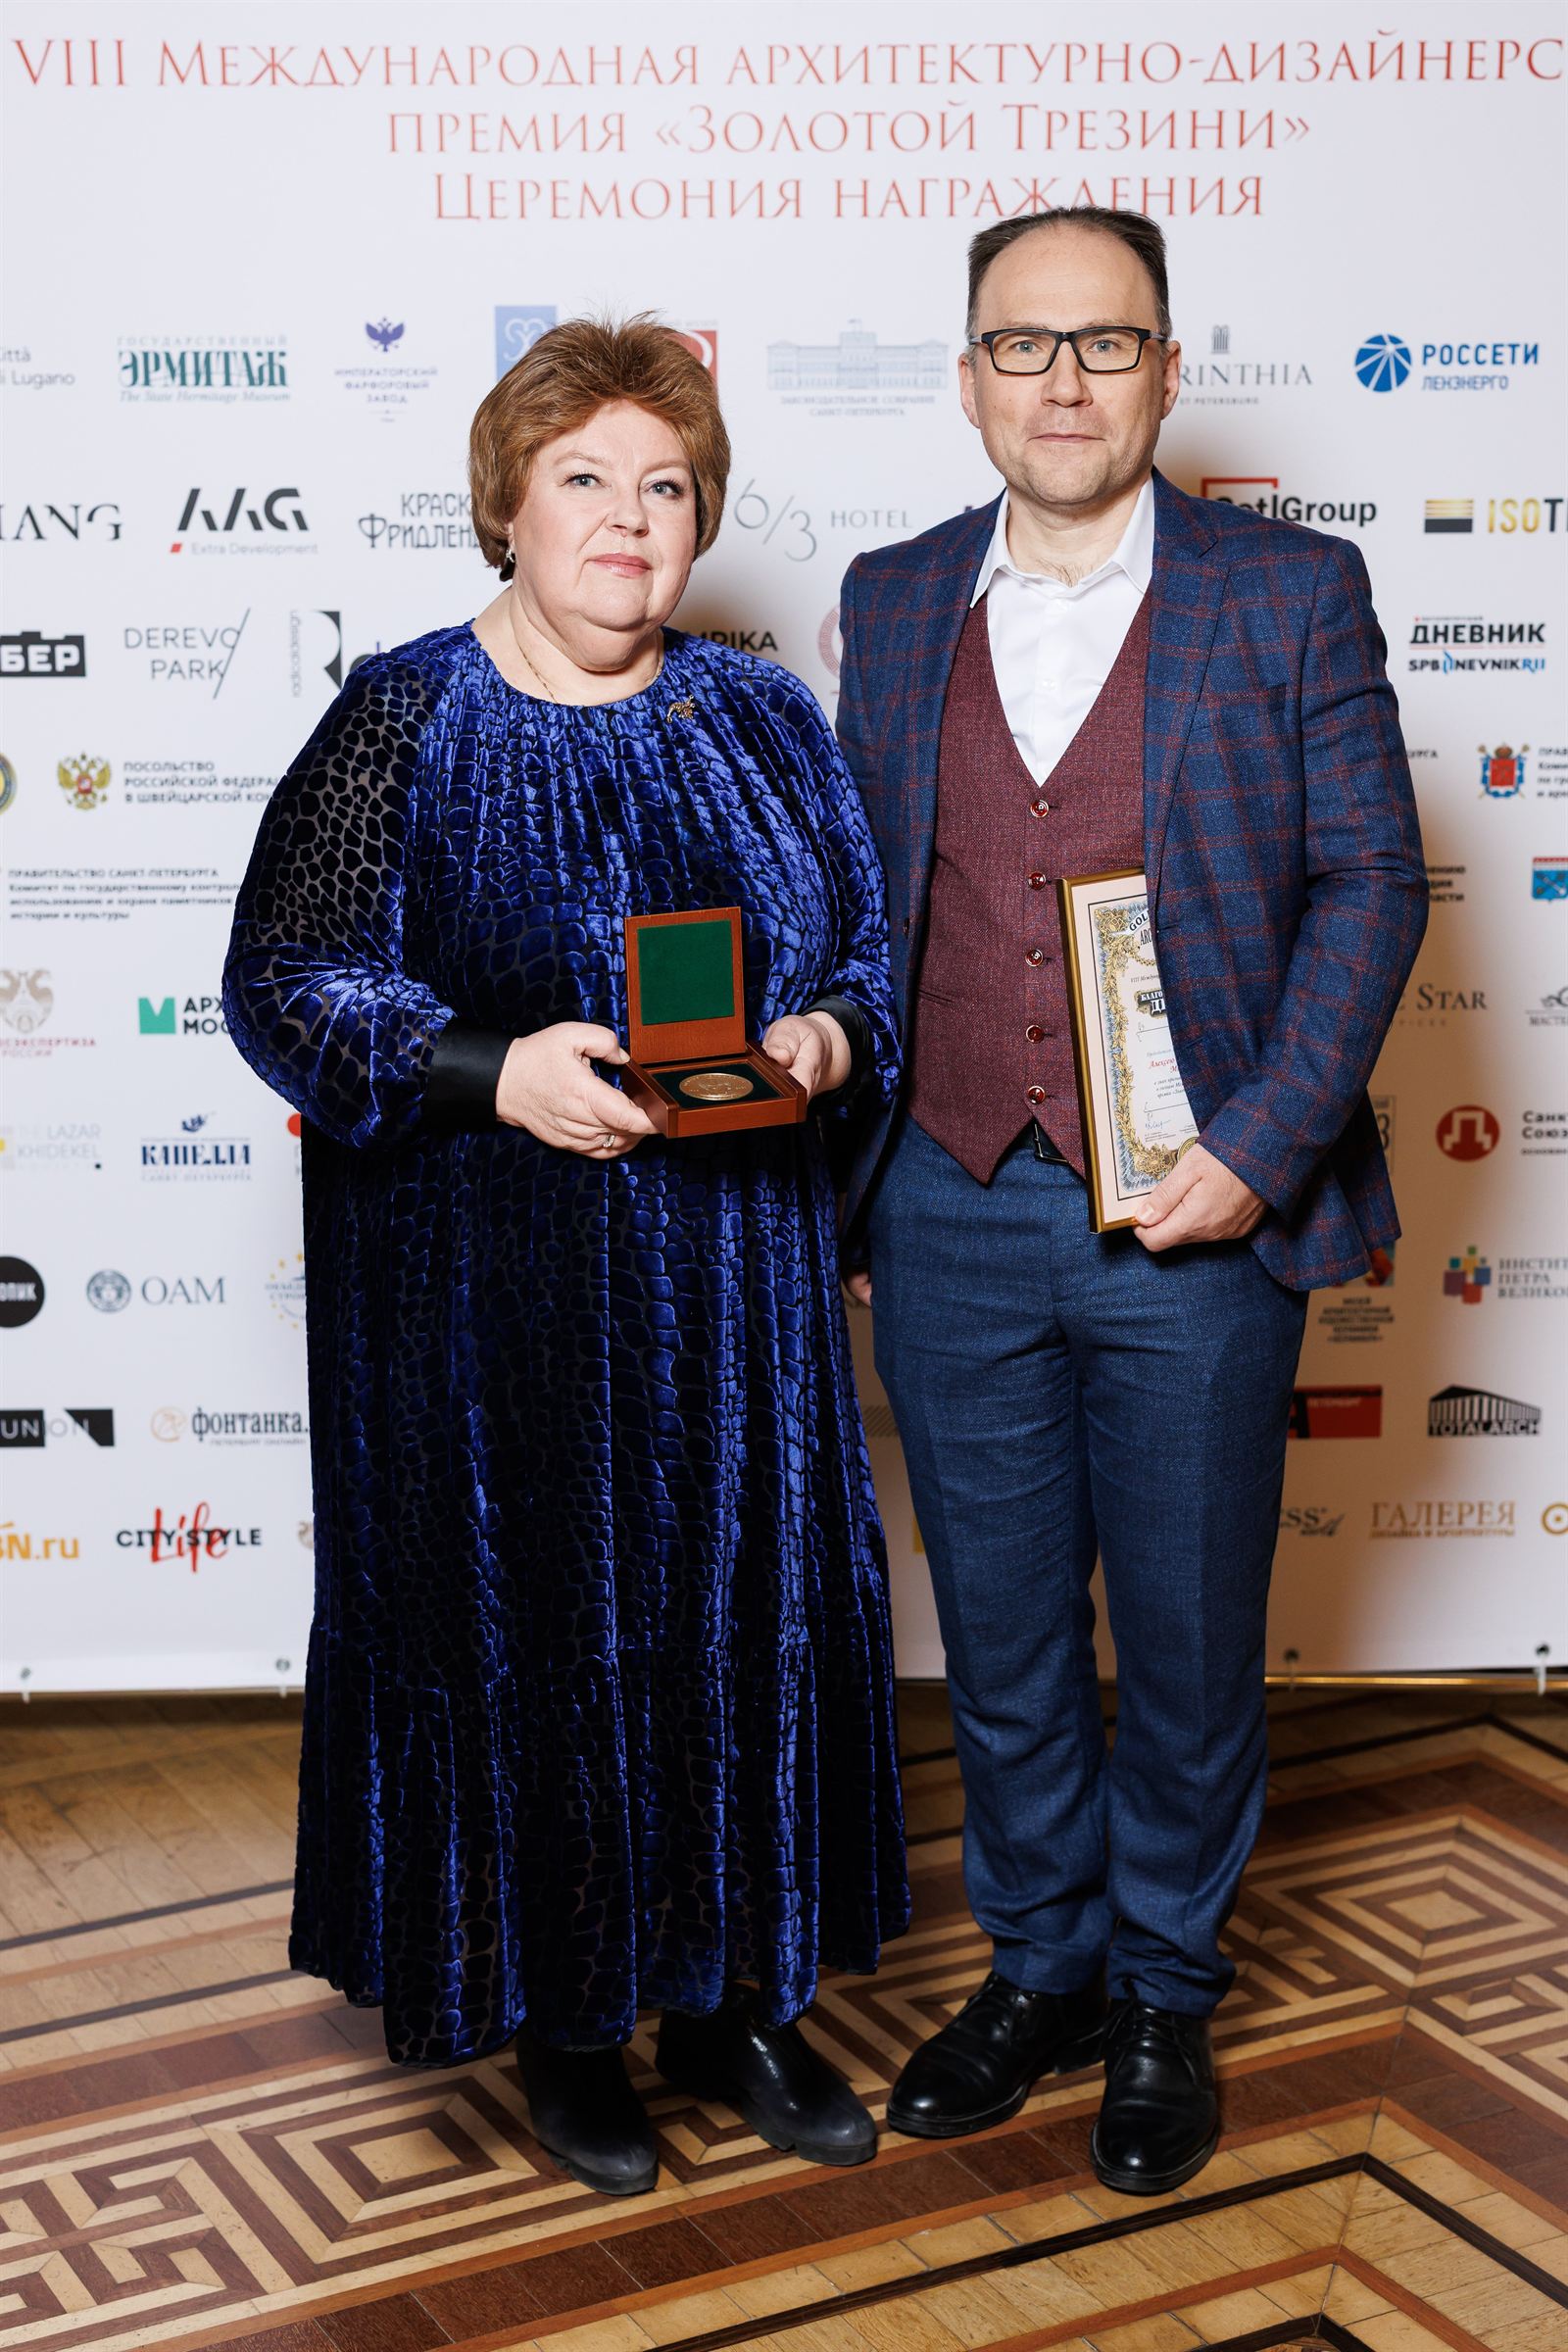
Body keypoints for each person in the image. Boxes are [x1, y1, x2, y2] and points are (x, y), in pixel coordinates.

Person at [222, 317, 908, 2197]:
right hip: (485, 1306)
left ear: (703, 519)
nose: (628, 517)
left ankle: (740, 2007)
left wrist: (827, 1039)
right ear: (507, 510)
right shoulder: (403, 716)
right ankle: (570, 2024)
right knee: (538, 1645)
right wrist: (490, 1067)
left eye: (664, 485)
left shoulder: (762, 717)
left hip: (737, 1299)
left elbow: (864, 959)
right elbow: (282, 980)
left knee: (735, 1636)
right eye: (584, 479)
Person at [834, 210, 1426, 2194]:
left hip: (1197, 1216)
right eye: (1024, 344)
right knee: (1002, 1645)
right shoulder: (890, 598)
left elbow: (1370, 880)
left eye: (1106, 343)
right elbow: (865, 906)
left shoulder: (1289, 592)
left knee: (1180, 1642)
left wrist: (1260, 1145)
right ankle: (1045, 1968)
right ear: (969, 377)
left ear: (1168, 371)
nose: (1064, 382)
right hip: (946, 1203)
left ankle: (1166, 1988)